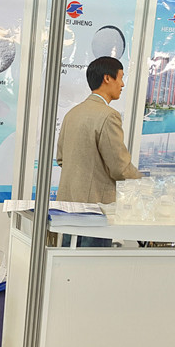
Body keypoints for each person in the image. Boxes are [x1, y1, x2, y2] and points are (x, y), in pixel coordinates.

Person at [55, 56, 141, 247]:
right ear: (107, 78)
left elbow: (61, 159)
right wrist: (145, 182)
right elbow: (119, 167)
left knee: (68, 262)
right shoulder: (109, 115)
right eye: (121, 77)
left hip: (67, 210)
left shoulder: (72, 114)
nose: (122, 84)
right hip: (94, 210)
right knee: (91, 263)